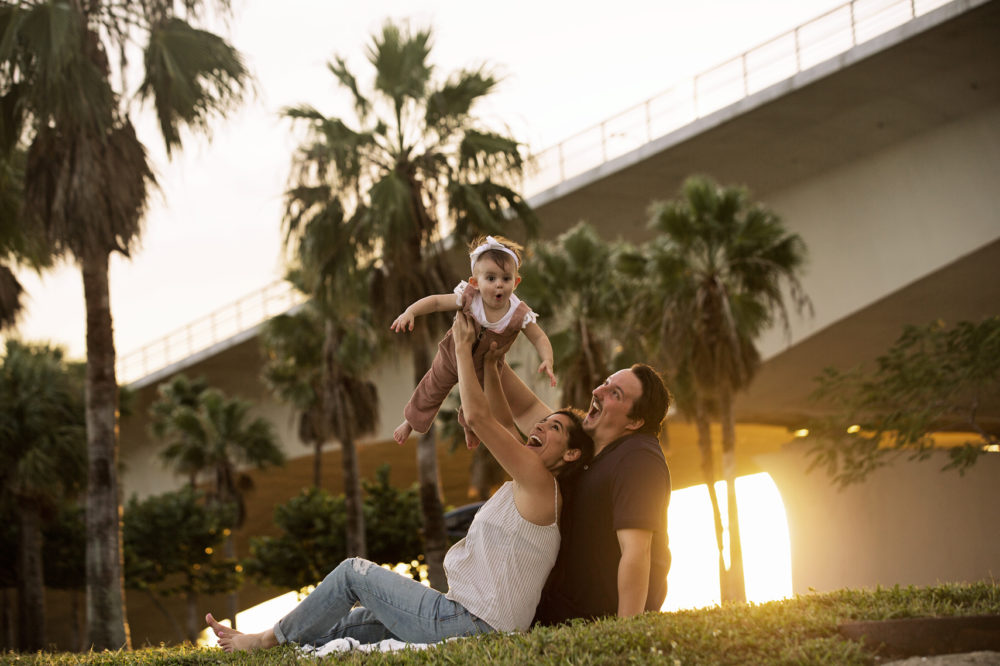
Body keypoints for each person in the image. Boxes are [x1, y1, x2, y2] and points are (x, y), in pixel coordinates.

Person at [205, 312, 593, 653]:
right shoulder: (529, 483)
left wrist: (461, 349)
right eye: (544, 421)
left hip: (471, 624)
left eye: (554, 427)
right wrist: (490, 364)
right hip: (463, 618)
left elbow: (480, 418)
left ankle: (262, 641)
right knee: (352, 624)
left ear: (571, 454)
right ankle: (258, 646)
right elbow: (505, 423)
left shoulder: (542, 483)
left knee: (352, 573)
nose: (540, 425)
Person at [495, 356, 672, 623]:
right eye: (605, 383)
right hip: (545, 618)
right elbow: (526, 409)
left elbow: (637, 552)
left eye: (615, 393)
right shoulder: (589, 448)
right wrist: (493, 355)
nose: (597, 391)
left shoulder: (639, 458)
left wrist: (625, 635)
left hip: (587, 626)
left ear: (634, 422)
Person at [390, 234, 556, 448]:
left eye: (506, 279)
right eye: (491, 278)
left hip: (486, 369)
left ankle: (470, 428)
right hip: (452, 356)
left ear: (515, 283)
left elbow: (539, 336)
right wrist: (410, 312)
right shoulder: (469, 297)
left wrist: (547, 359)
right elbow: (437, 302)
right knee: (432, 388)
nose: (499, 285)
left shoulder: (518, 313)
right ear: (475, 282)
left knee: (484, 403)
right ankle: (410, 422)